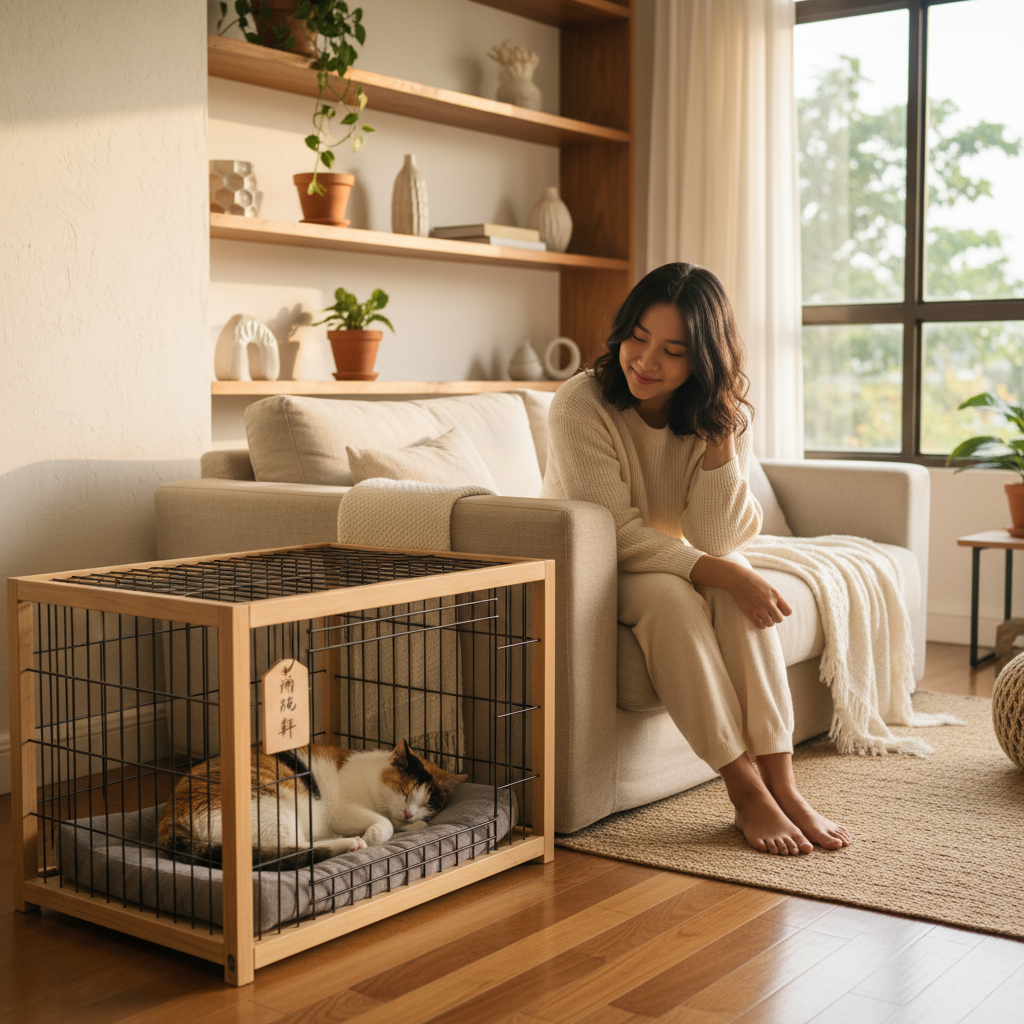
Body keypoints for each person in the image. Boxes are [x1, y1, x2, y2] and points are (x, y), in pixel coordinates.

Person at [542, 263, 851, 855]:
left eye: (673, 351)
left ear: (703, 361)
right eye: (638, 337)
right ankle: (744, 792)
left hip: (664, 558)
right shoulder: (579, 403)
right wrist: (727, 570)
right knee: (676, 598)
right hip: (584, 566)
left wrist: (720, 440)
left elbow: (715, 535)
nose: (645, 361)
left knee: (735, 593)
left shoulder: (722, 414)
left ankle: (783, 784)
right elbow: (614, 534)